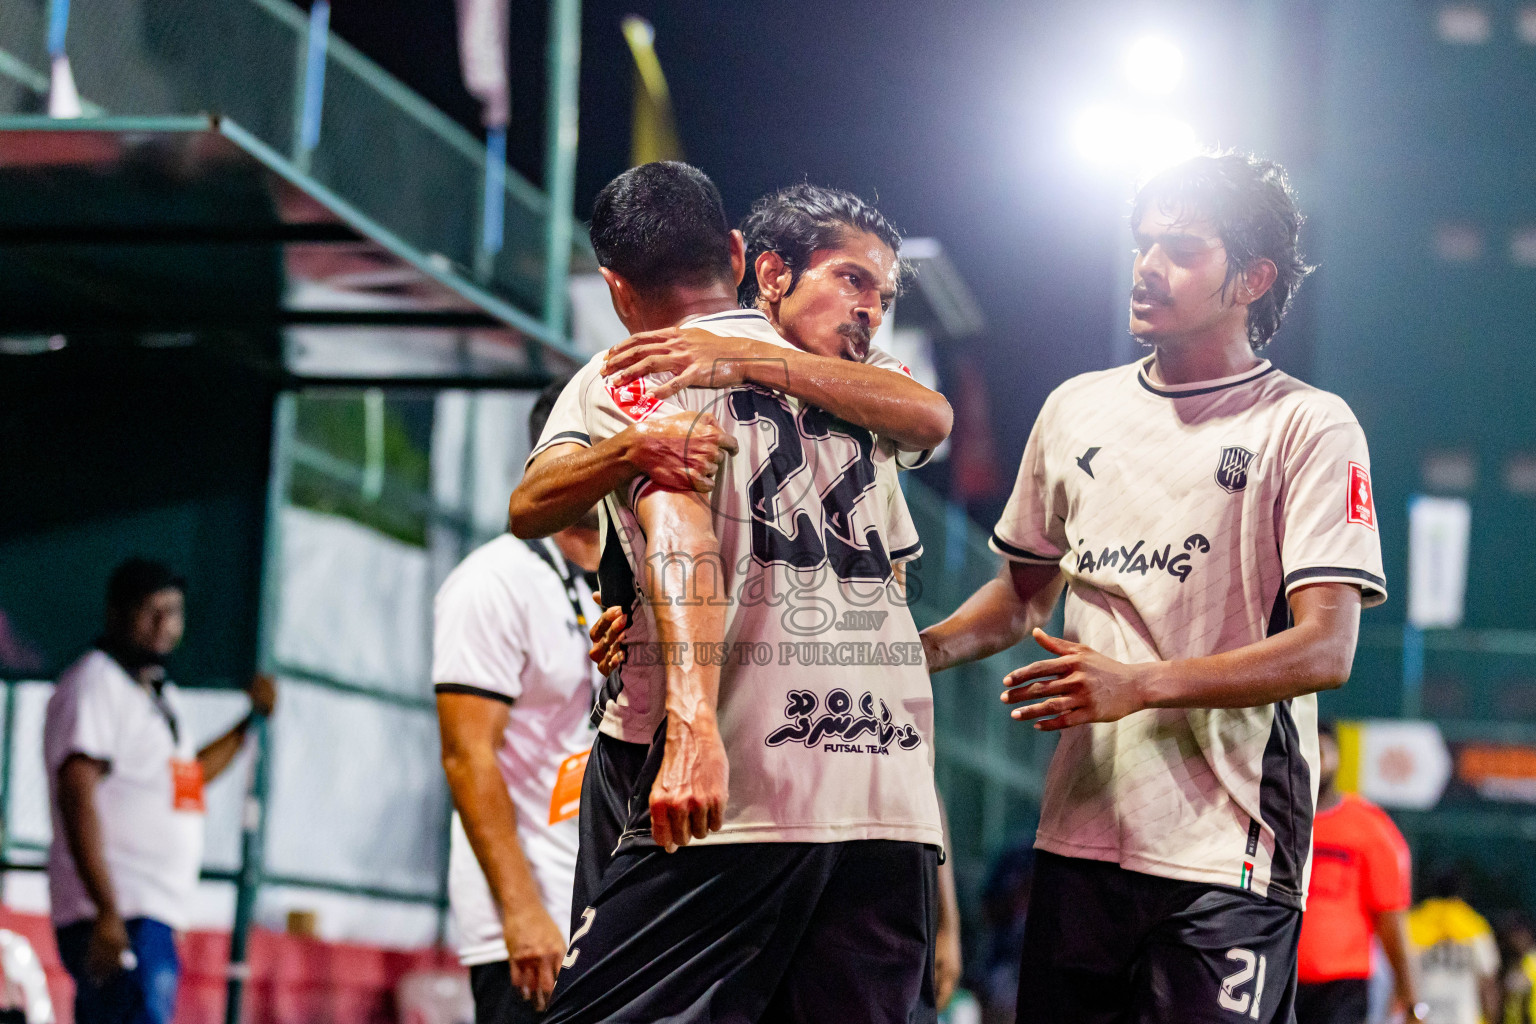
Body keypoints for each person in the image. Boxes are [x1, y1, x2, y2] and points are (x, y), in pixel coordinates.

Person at [919, 151, 1386, 1023]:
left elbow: (1328, 646)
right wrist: (911, 656)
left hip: (1228, 854)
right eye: (1142, 245)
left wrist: (1139, 686)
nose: (1147, 268)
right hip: (1078, 836)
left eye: (1179, 249)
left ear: (1252, 277)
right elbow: (1020, 598)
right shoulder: (1076, 408)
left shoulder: (1308, 425)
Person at [534, 168, 946, 1023]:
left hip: (752, 776)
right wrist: (639, 613)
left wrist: (690, 722)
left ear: (616, 287)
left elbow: (667, 534)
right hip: (883, 792)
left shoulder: (659, 367)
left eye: (884, 291)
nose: (871, 309)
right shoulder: (869, 402)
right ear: (754, 265)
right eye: (852, 279)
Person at [433, 381, 606, 1021]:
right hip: (536, 922)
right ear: (549, 457)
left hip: (615, 909)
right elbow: (466, 756)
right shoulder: (491, 582)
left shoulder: (634, 577)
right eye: (589, 442)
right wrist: (522, 911)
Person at [45, 558, 276, 1024]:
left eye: (174, 613)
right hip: (116, 913)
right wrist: (107, 910)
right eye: (151, 611)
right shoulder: (95, 682)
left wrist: (249, 722)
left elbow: (187, 780)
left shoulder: (157, 696)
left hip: (148, 913)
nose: (165, 626)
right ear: (116, 613)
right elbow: (76, 793)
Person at [1295, 720, 1420, 1023]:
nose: (1315, 759)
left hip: (1342, 990)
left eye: (1322, 750)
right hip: (1280, 977)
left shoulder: (1370, 827)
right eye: (1308, 749)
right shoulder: (1277, 818)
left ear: (1338, 755)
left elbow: (1391, 920)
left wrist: (1412, 997)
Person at [1409, 870, 1500, 1024]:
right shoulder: (1474, 925)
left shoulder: (1413, 923)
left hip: (1423, 1015)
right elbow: (1488, 982)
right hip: (1464, 1017)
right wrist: (1492, 1018)